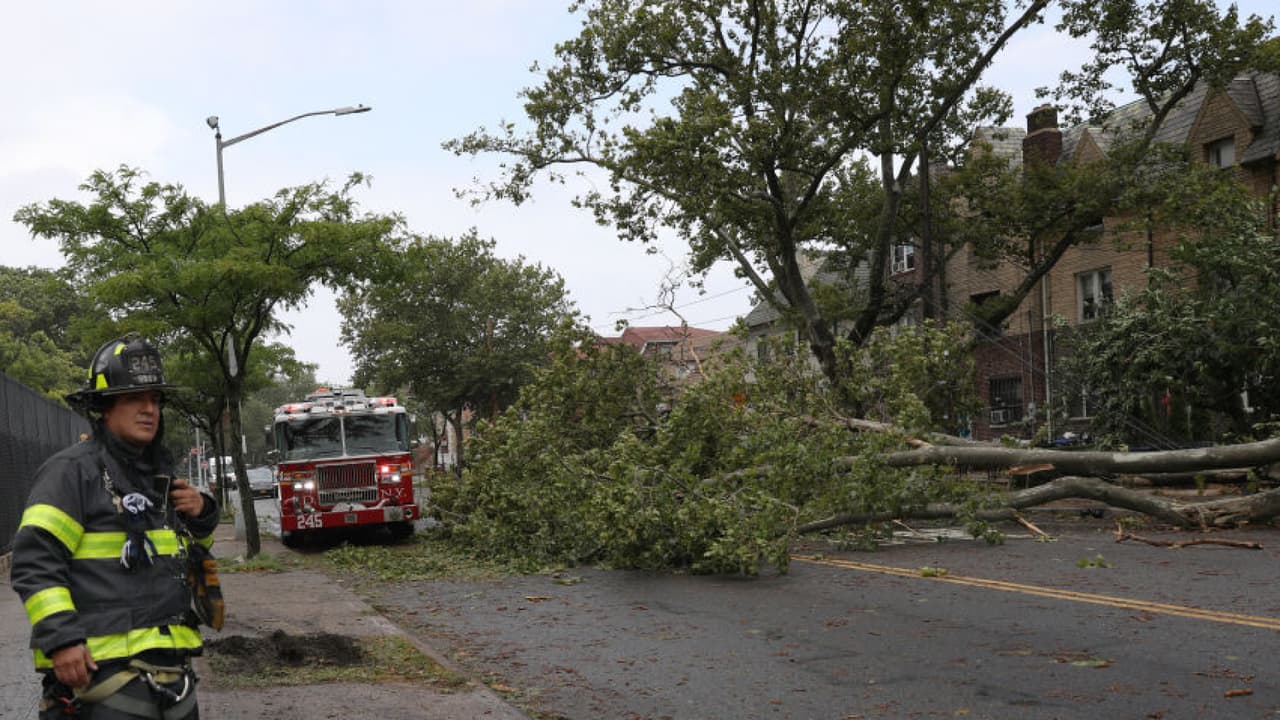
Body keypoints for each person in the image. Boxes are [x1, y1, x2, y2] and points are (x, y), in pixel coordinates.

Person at [11, 337, 219, 719]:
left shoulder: (157, 475)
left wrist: (202, 513)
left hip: (172, 673)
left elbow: (185, 555)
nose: (149, 410)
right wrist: (61, 640)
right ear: (104, 408)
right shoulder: (73, 472)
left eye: (155, 400)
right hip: (99, 678)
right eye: (134, 398)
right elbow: (34, 561)